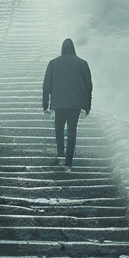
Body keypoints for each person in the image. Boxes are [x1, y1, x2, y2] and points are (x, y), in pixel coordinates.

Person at [42, 38, 92, 170]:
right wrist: (87, 106)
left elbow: (46, 85)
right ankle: (69, 162)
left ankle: (60, 157)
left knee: (59, 130)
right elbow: (88, 87)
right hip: (75, 105)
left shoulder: (53, 63)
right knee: (72, 131)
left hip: (59, 104)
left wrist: (45, 105)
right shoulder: (82, 64)